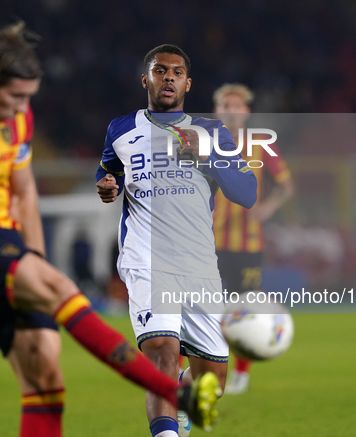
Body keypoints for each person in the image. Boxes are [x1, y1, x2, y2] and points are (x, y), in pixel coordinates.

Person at [0, 24, 220, 436]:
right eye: (17, 97)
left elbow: (23, 192)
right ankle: (175, 394)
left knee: (45, 370)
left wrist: (35, 260)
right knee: (61, 289)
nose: (22, 108)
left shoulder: (16, 115)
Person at [96, 45, 258, 437]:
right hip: (146, 260)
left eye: (176, 72)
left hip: (200, 266)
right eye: (159, 70)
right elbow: (108, 173)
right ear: (146, 79)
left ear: (188, 83)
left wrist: (203, 158)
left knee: (212, 383)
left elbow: (247, 193)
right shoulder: (120, 129)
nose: (168, 77)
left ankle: (183, 397)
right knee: (162, 353)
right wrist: (107, 187)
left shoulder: (212, 132)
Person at [212, 83, 294, 394]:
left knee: (244, 308)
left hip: (247, 245)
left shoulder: (261, 144)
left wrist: (269, 206)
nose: (230, 110)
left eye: (235, 105)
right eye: (223, 105)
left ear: (246, 111)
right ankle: (196, 371)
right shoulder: (205, 142)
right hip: (209, 242)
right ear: (216, 110)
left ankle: (241, 375)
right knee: (203, 307)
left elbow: (286, 185)